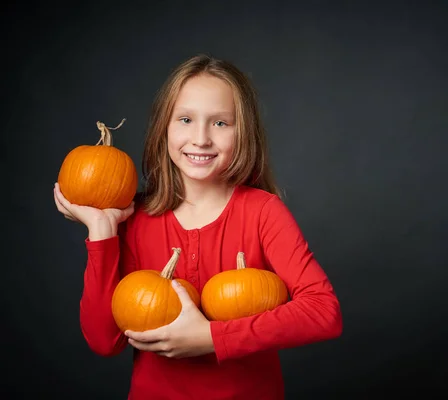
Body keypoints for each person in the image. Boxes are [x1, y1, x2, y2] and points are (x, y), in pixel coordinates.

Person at [53, 53, 343, 399]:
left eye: (220, 123)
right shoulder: (137, 218)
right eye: (186, 119)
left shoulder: (263, 212)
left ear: (243, 132)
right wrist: (102, 232)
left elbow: (323, 313)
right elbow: (106, 341)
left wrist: (211, 337)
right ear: (164, 125)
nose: (201, 139)